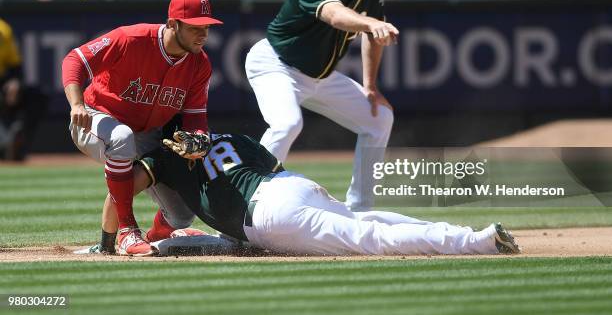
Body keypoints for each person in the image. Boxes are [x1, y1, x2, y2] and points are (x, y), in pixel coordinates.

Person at [96, 130, 521, 256]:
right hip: (294, 186)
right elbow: (271, 169)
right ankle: (469, 233)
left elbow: (122, 187)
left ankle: (477, 241)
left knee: (370, 239)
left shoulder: (164, 157)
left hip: (270, 216)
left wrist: (109, 239)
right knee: (368, 221)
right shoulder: (233, 137)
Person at [244, 0, 398, 212]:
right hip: (275, 64)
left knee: (379, 118)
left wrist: (371, 86)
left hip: (318, 77)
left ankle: (360, 210)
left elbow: (373, 36)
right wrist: (369, 25)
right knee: (287, 124)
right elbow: (336, 15)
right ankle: (243, 201)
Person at [61, 0, 222, 256]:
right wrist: (76, 104)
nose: (203, 34)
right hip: (94, 118)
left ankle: (153, 237)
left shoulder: (199, 64)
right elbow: (75, 60)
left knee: (182, 213)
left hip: (147, 132)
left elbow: (196, 118)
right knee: (122, 138)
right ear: (173, 24)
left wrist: (199, 138)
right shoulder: (131, 38)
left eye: (206, 27)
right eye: (195, 27)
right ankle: (126, 230)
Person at [0, 18, 47, 160]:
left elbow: (15, 66)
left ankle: (19, 141)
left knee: (37, 97)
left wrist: (15, 82)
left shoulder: (3, 29)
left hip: (2, 81)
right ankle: (6, 144)